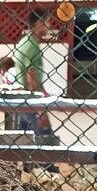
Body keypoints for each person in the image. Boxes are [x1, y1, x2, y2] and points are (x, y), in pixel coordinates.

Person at [11, 9, 57, 144]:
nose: (49, 26)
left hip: (23, 102)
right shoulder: (32, 46)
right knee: (45, 143)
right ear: (39, 23)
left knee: (24, 146)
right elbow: (32, 80)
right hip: (31, 104)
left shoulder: (25, 42)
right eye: (47, 22)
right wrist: (41, 111)